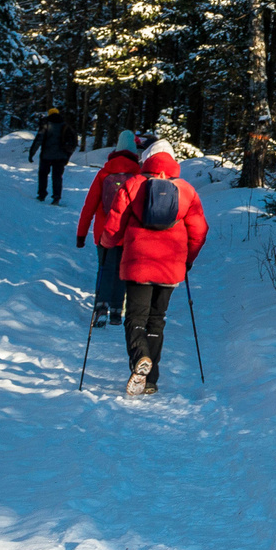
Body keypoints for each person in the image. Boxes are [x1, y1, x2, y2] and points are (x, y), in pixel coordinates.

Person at [100, 134, 205, 396]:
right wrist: (188, 259)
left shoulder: (133, 185)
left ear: (147, 159)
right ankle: (151, 380)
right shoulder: (187, 191)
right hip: (170, 267)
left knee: (136, 317)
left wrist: (107, 244)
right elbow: (200, 230)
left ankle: (140, 359)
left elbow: (114, 223)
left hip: (138, 263)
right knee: (157, 320)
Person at [75, 131, 145, 329]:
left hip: (104, 233)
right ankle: (116, 311)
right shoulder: (139, 175)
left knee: (105, 268)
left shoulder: (104, 172)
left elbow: (89, 206)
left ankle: (100, 308)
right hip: (128, 233)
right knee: (122, 270)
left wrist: (81, 234)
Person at [27, 106, 75, 204]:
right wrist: (67, 156)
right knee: (57, 177)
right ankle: (56, 197)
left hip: (46, 156)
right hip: (61, 157)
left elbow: (38, 140)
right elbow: (72, 142)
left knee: (43, 175)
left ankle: (42, 195)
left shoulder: (46, 124)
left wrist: (32, 153)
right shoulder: (65, 125)